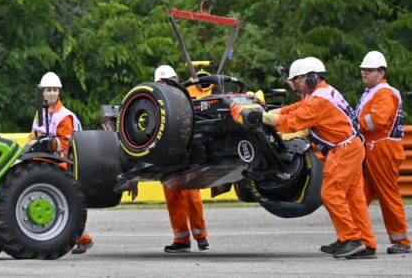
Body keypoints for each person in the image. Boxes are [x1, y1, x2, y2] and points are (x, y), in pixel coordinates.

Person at [230, 57, 377, 259]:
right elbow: (294, 109)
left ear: (311, 77)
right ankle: (365, 243)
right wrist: (266, 112)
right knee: (354, 198)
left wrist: (260, 117)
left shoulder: (319, 100)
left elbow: (294, 121)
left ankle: (351, 239)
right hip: (350, 147)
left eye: (297, 79)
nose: (294, 84)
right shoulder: (320, 93)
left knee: (331, 194)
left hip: (343, 150)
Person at [29, 71, 93, 255]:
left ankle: (83, 238)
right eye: (48, 90)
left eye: (55, 90)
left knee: (62, 205)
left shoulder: (64, 116)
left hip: (63, 165)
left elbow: (64, 145)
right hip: (47, 163)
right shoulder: (40, 114)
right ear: (42, 92)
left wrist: (45, 143)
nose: (52, 93)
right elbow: (33, 136)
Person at [356, 51, 410, 254]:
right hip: (371, 149)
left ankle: (402, 241)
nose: (364, 73)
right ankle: (356, 238)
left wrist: (352, 125)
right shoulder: (371, 93)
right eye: (363, 69)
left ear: (381, 72)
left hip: (382, 149)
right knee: (358, 196)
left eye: (369, 70)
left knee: (388, 196)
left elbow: (376, 120)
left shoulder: (385, 93)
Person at [154, 65, 210, 253]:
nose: (166, 85)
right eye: (162, 83)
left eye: (169, 81)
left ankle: (200, 236)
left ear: (176, 80)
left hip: (187, 155)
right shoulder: (154, 103)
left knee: (191, 195)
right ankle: (182, 239)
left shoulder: (186, 98)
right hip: (167, 157)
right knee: (173, 198)